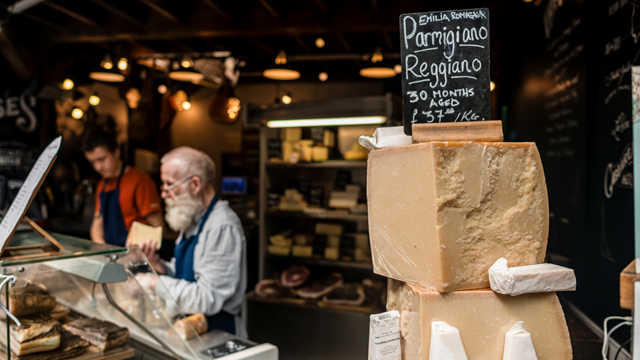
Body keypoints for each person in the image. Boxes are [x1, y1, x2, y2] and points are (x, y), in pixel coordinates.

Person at [138, 147, 247, 338]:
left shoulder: (222, 226)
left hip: (218, 333)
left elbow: (206, 297)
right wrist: (161, 267)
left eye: (169, 185)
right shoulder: (192, 219)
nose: (163, 194)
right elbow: (190, 276)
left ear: (195, 185)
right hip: (191, 329)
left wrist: (154, 282)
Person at [82, 130, 163, 246]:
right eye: (92, 162)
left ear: (116, 152)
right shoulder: (102, 185)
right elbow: (97, 223)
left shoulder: (140, 181)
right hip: (112, 253)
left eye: (101, 159)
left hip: (136, 255)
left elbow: (158, 228)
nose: (97, 167)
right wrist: (103, 248)